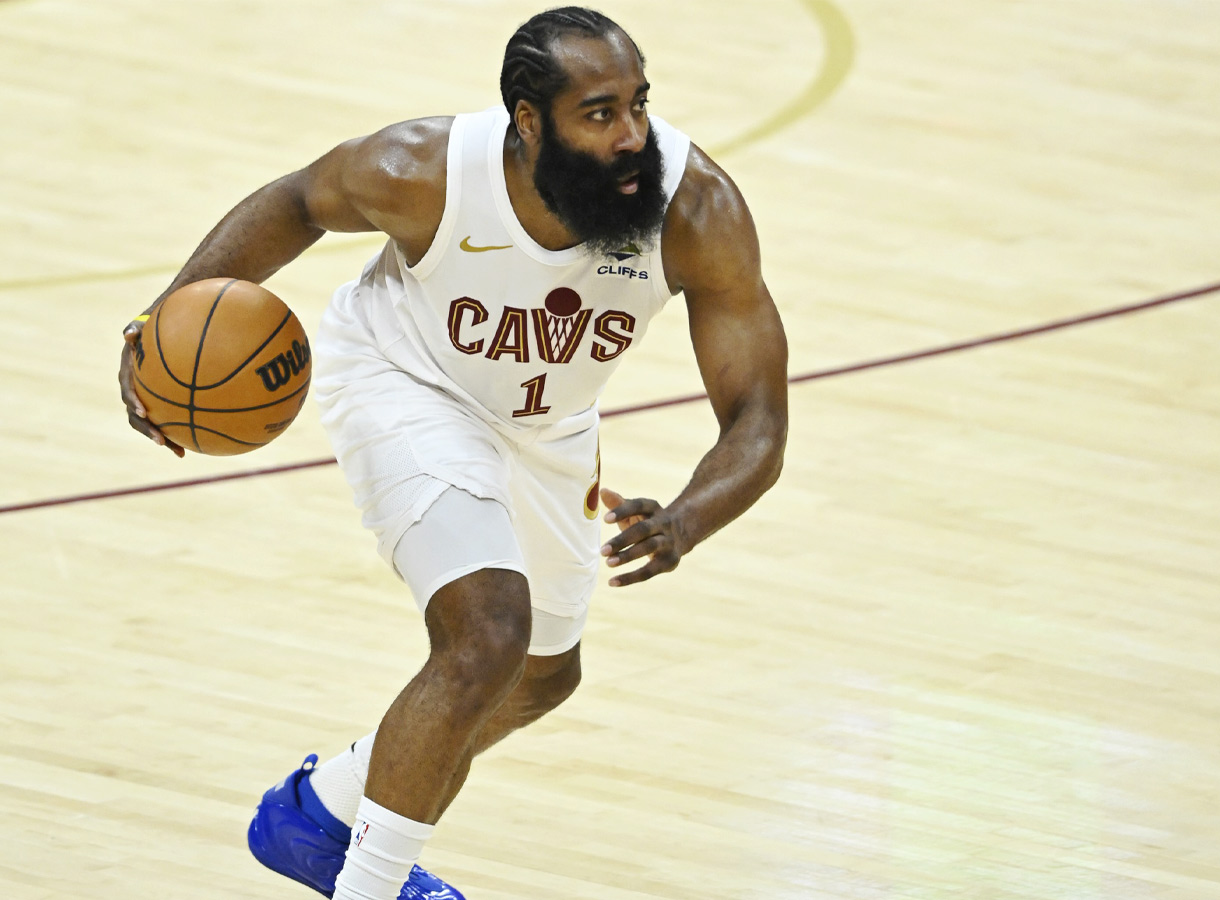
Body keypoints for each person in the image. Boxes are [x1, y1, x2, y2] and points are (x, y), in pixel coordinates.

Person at [117, 8, 788, 899]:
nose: (632, 136)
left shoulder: (693, 208)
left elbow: (758, 417)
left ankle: (319, 815)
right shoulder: (422, 170)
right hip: (406, 381)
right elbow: (293, 203)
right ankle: (369, 885)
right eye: (599, 114)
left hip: (549, 424)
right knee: (488, 633)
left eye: (638, 104)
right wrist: (163, 324)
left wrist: (688, 519)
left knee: (545, 675)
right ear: (528, 121)